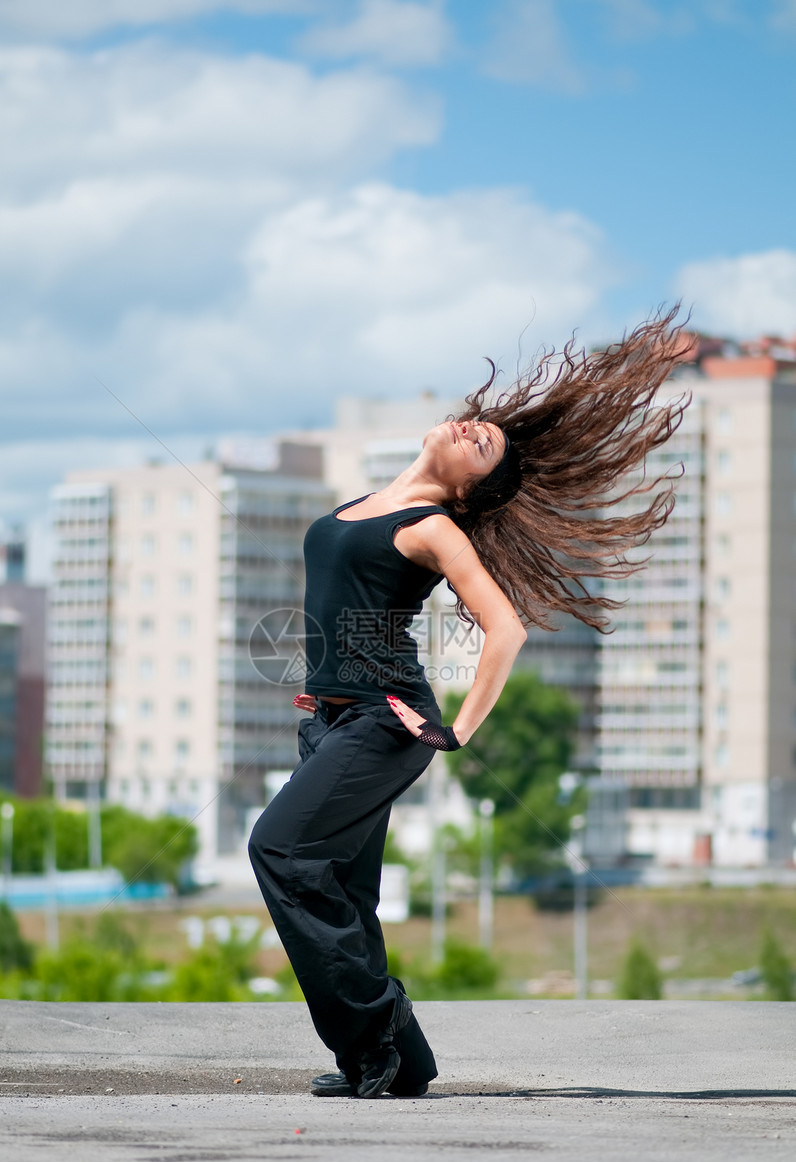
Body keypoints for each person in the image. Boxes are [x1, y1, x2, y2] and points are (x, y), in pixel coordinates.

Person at [248, 308, 690, 1098]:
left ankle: (373, 1030)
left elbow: (506, 630)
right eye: (475, 424)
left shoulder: (434, 526)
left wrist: (457, 729)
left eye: (480, 443)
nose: (467, 427)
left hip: (389, 720)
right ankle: (389, 1060)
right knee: (345, 891)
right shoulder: (366, 502)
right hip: (329, 719)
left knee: (279, 849)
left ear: (469, 485)